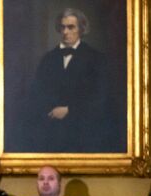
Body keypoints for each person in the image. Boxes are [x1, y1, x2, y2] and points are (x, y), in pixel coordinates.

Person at [22, 8, 114, 153]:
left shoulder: (96, 58)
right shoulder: (48, 59)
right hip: (51, 135)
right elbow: (36, 94)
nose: (65, 32)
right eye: (62, 27)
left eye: (71, 27)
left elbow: (100, 98)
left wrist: (69, 110)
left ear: (81, 29)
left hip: (83, 135)